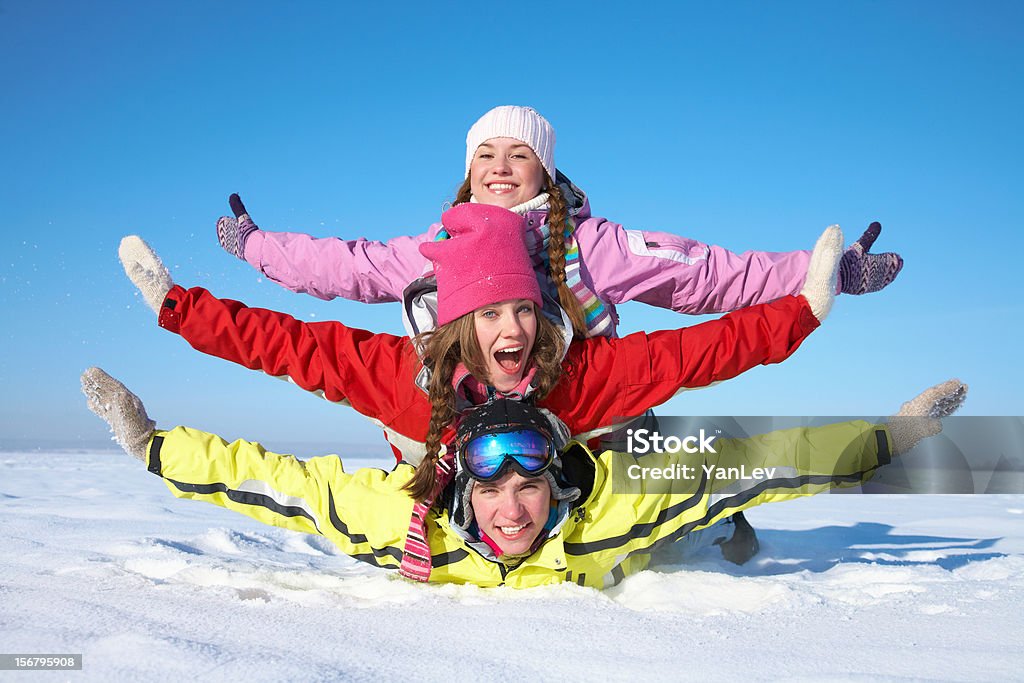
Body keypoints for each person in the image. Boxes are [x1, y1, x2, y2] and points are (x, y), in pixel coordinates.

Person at [119, 203, 841, 477]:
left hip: (563, 531)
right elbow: (292, 346)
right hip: (448, 524)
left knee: (669, 468)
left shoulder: (578, 376)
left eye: (524, 311)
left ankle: (727, 523)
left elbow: (696, 353)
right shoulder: (408, 380)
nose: (514, 329)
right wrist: (180, 307)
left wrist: (802, 308)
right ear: (461, 323)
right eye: (492, 315)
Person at [81, 371, 967, 588]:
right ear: (463, 489)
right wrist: (156, 446)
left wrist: (889, 436)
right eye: (494, 488)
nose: (512, 509)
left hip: (648, 514)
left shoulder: (610, 505)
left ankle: (715, 535)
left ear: (555, 486)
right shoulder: (403, 521)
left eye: (529, 488)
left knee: (699, 503)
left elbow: (764, 462)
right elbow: (276, 481)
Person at [214, 105, 904, 341]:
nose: (501, 165)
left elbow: (706, 273)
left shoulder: (591, 244)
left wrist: (828, 274)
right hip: (467, 415)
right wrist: (258, 247)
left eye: (520, 154)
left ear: (545, 171)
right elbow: (348, 264)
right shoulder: (440, 246)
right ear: (468, 170)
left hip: (582, 407)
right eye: (486, 154)